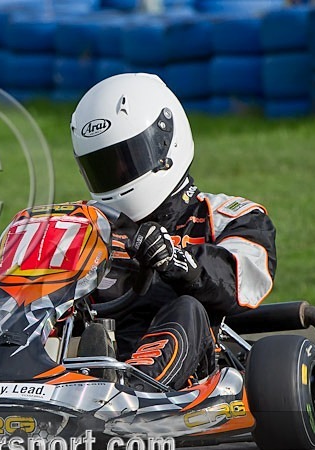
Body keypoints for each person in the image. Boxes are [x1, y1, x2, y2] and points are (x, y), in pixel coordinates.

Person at [70, 73, 277, 390]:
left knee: (186, 307)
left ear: (165, 142)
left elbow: (242, 283)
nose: (116, 175)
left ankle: (135, 388)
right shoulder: (91, 226)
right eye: (104, 167)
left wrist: (180, 263)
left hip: (198, 365)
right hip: (98, 359)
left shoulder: (228, 216)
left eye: (127, 160)